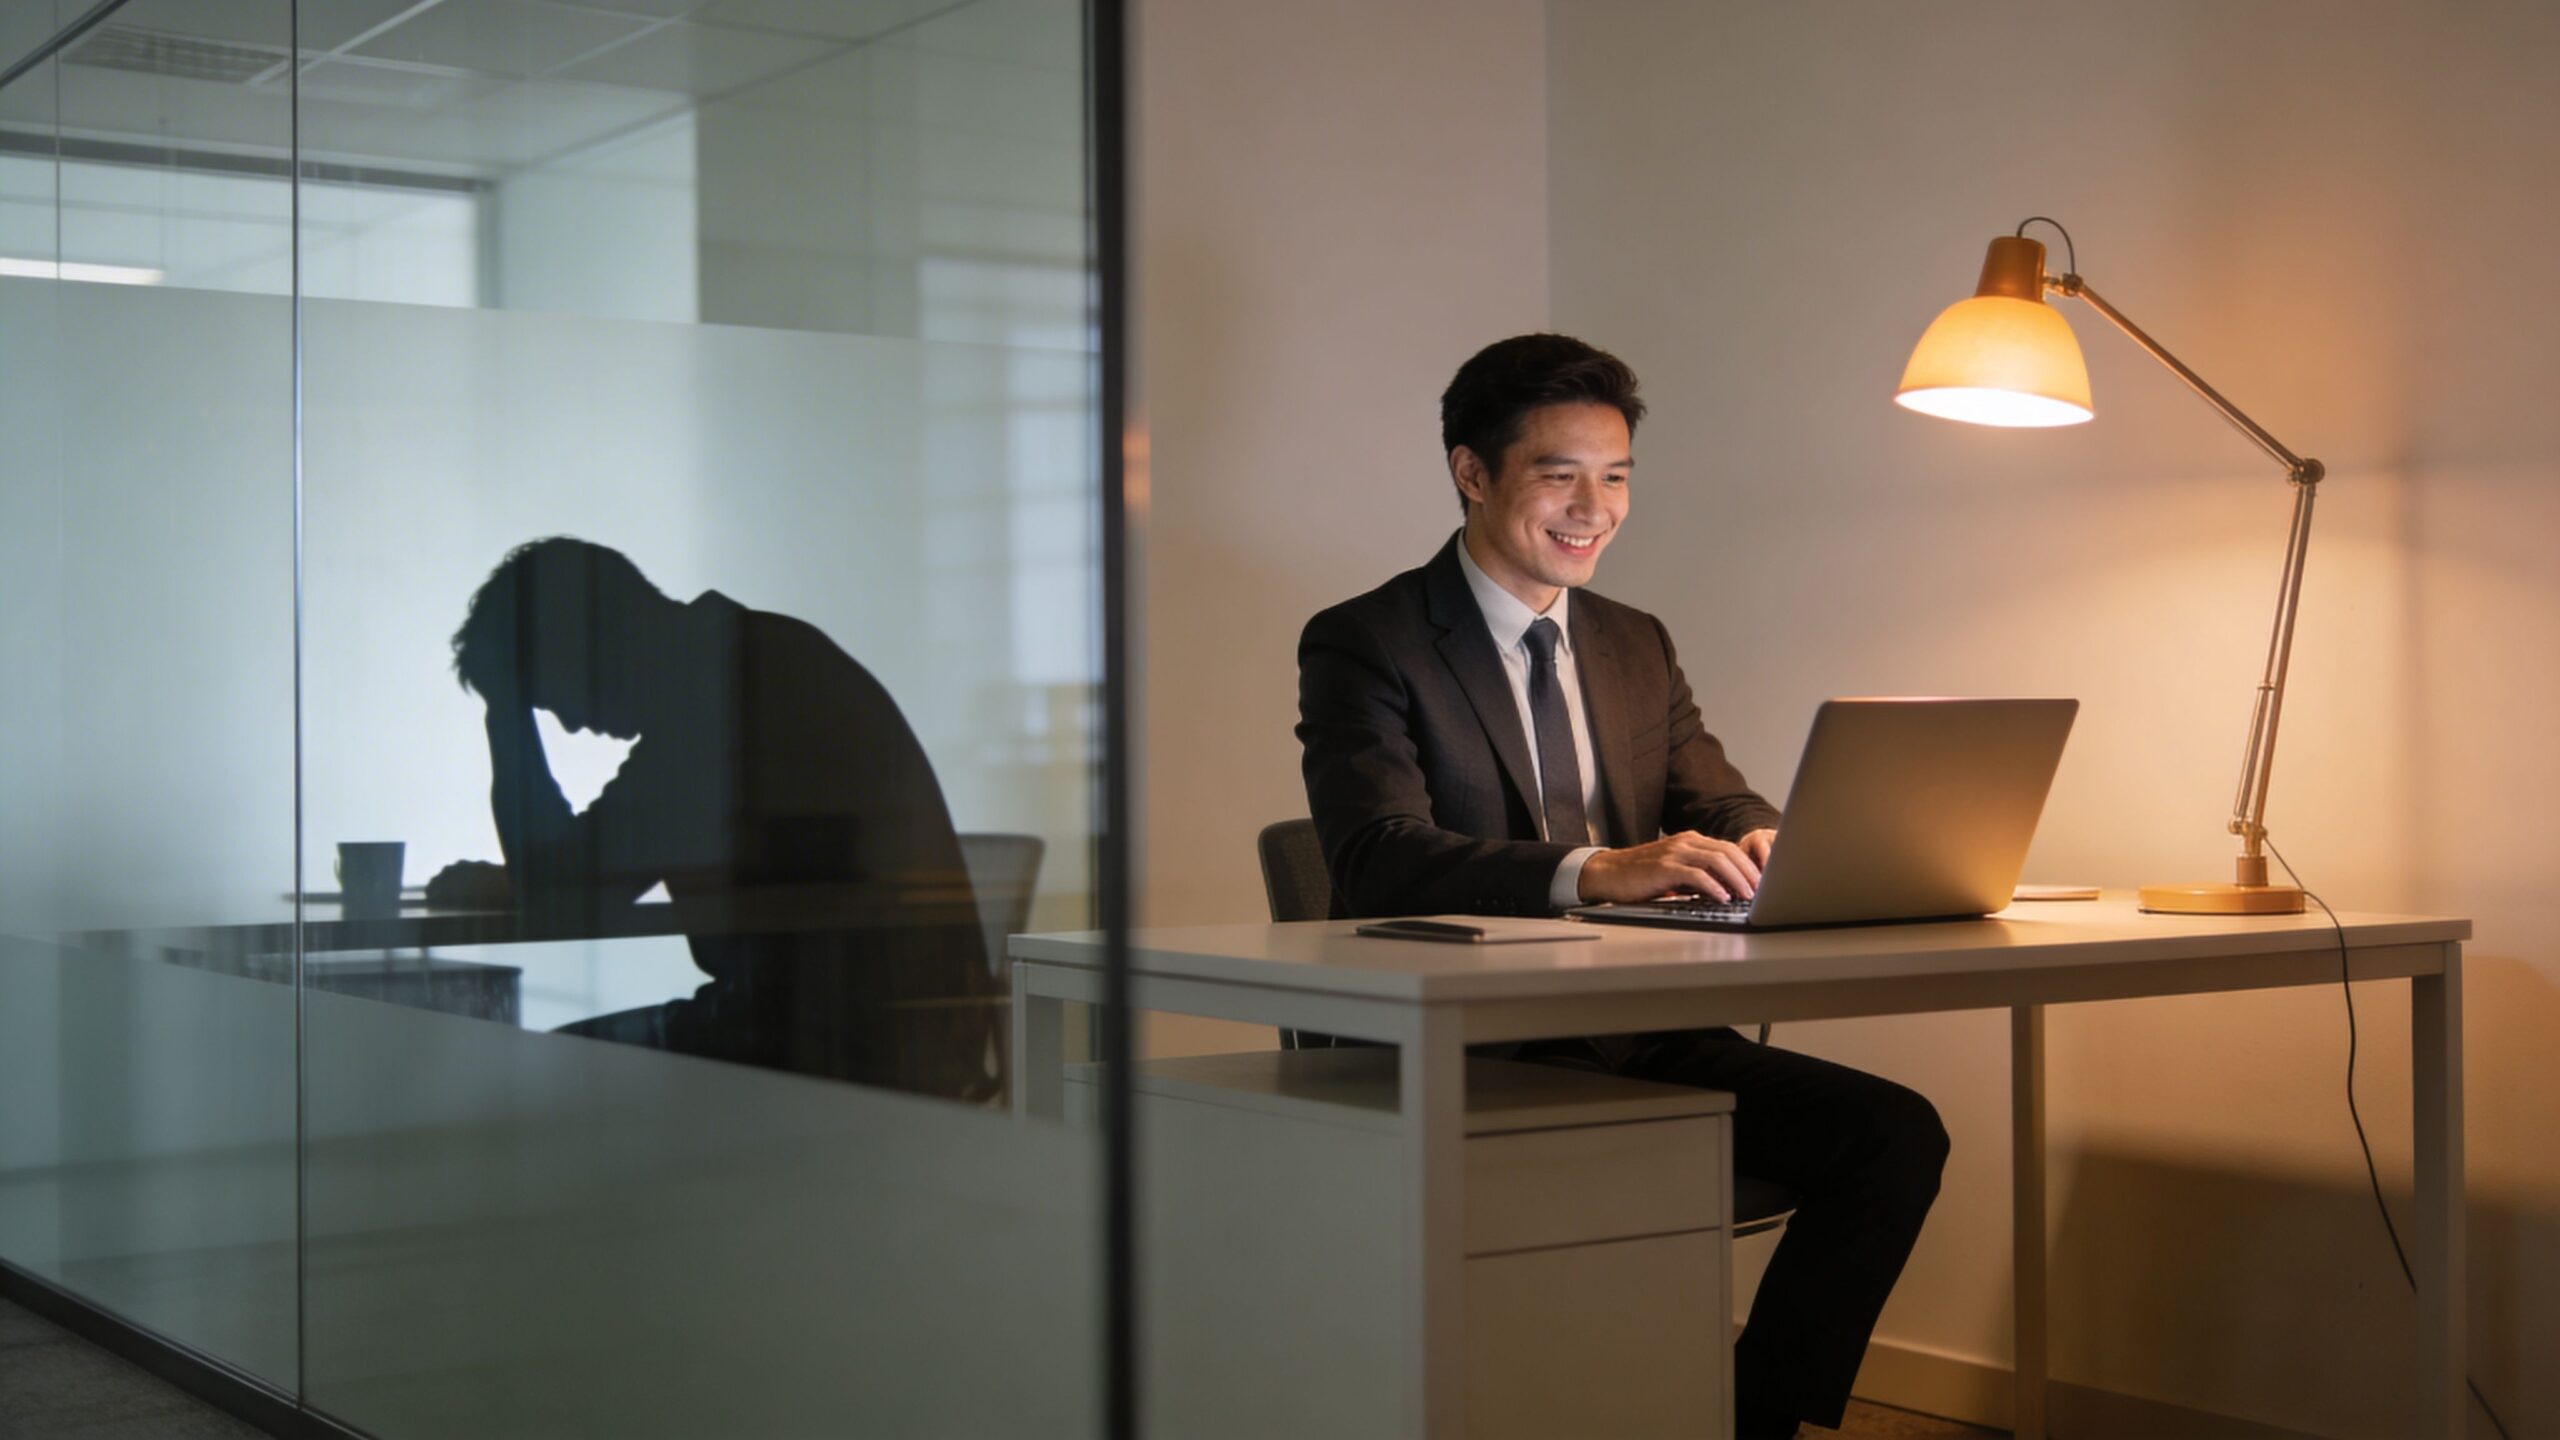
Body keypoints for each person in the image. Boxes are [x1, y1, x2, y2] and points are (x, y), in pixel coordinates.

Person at [1295, 335, 1948, 1439]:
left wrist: (1785, 844)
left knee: (1891, 1137)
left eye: (1617, 477)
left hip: (1639, 1030)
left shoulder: (1634, 642)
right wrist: (1595, 867)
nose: (1593, 508)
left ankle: (1750, 1422)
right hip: (1477, 1050)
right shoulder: (1370, 640)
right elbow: (1377, 853)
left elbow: (1715, 799)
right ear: (1472, 472)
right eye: (1559, 474)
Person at [430, 537, 998, 1101]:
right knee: (558, 1070)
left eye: (549, 698)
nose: (573, 725)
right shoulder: (756, 656)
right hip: (898, 1036)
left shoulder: (717, 693)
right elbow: (586, 872)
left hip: (824, 1048)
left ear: (579, 644)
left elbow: (562, 894)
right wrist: (530, 878)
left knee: (537, 1084)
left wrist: (505, 714)